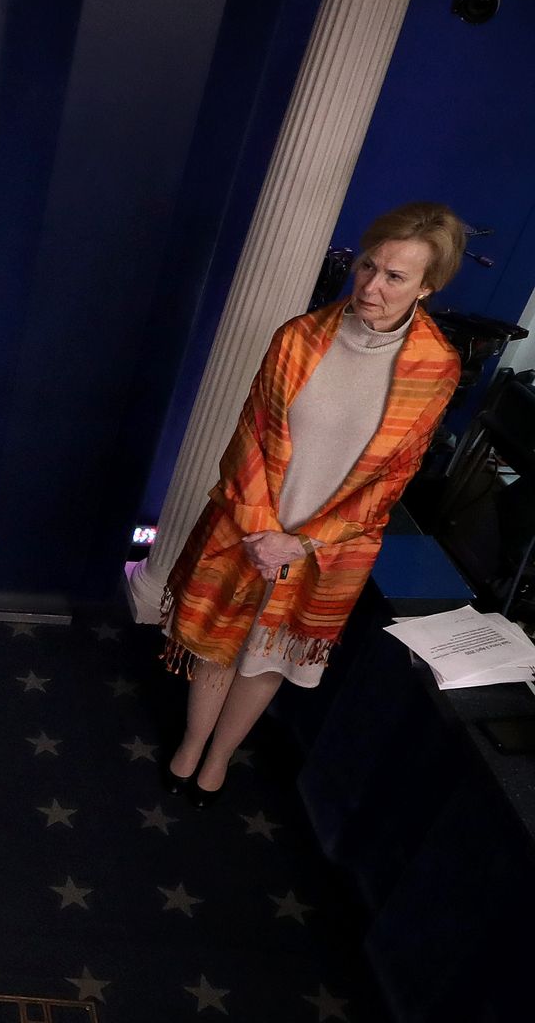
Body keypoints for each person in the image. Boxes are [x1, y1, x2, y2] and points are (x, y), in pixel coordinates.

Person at [162, 202, 464, 806]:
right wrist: (260, 532)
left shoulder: (438, 369)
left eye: (395, 277)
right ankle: (193, 746)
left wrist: (298, 543)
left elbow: (391, 480)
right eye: (367, 266)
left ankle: (220, 758)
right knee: (221, 642)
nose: (372, 285)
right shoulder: (298, 338)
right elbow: (248, 438)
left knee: (268, 657)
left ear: (427, 288)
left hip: (328, 547)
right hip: (250, 525)